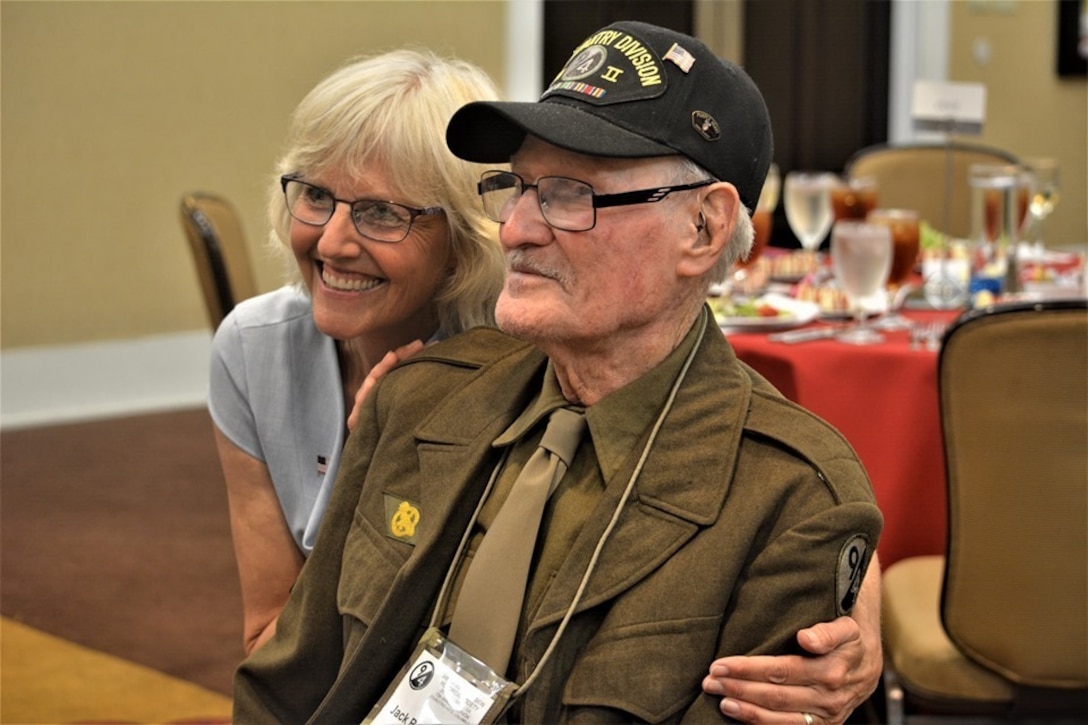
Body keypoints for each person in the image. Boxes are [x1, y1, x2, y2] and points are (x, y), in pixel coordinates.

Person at [233, 21, 883, 724]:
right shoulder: (417, 398)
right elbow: (286, 690)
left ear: (703, 227)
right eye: (519, 186)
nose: (514, 227)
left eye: (570, 194)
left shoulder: (786, 498)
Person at [208, 49, 505, 655]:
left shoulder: (516, 370)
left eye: (380, 213)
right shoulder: (254, 348)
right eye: (316, 195)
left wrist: (388, 458)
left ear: (462, 239)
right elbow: (269, 638)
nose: (333, 242)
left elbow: (483, 650)